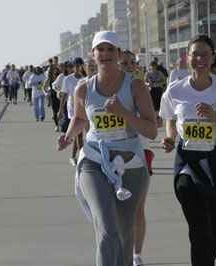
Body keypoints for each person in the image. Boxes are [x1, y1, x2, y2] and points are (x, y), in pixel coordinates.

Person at [56, 30, 157, 266]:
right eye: (100, 49)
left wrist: (123, 113)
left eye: (110, 49)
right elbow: (81, 118)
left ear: (119, 54)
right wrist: (68, 136)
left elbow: (151, 131)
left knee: (124, 230)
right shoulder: (83, 89)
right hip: (94, 160)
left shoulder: (136, 87)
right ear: (92, 55)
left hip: (130, 163)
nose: (105, 54)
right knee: (107, 227)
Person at [160, 34, 216, 266]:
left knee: (215, 232)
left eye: (204, 54)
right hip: (188, 165)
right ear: (187, 57)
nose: (199, 59)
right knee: (200, 229)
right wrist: (170, 138)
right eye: (195, 54)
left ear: (213, 58)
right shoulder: (175, 90)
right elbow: (170, 118)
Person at [119, 49, 155, 266]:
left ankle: (136, 255)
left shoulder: (141, 88)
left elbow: (150, 123)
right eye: (124, 62)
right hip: (112, 156)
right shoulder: (106, 89)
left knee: (137, 210)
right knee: (114, 212)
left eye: (132, 62)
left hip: (141, 152)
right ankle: (117, 251)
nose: (130, 66)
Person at [58, 57, 85, 167]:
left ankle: (73, 156)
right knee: (79, 134)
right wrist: (60, 111)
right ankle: (83, 158)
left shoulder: (86, 78)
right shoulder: (68, 79)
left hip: (84, 108)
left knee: (78, 133)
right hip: (72, 109)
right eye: (76, 66)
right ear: (73, 67)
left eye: (80, 65)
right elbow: (64, 95)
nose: (78, 68)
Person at [42, 64, 61, 131]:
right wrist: (46, 93)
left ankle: (61, 123)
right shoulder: (49, 79)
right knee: (55, 111)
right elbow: (43, 88)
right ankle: (57, 125)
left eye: (55, 68)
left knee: (61, 110)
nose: (54, 70)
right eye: (53, 69)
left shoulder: (60, 77)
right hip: (52, 96)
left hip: (60, 96)